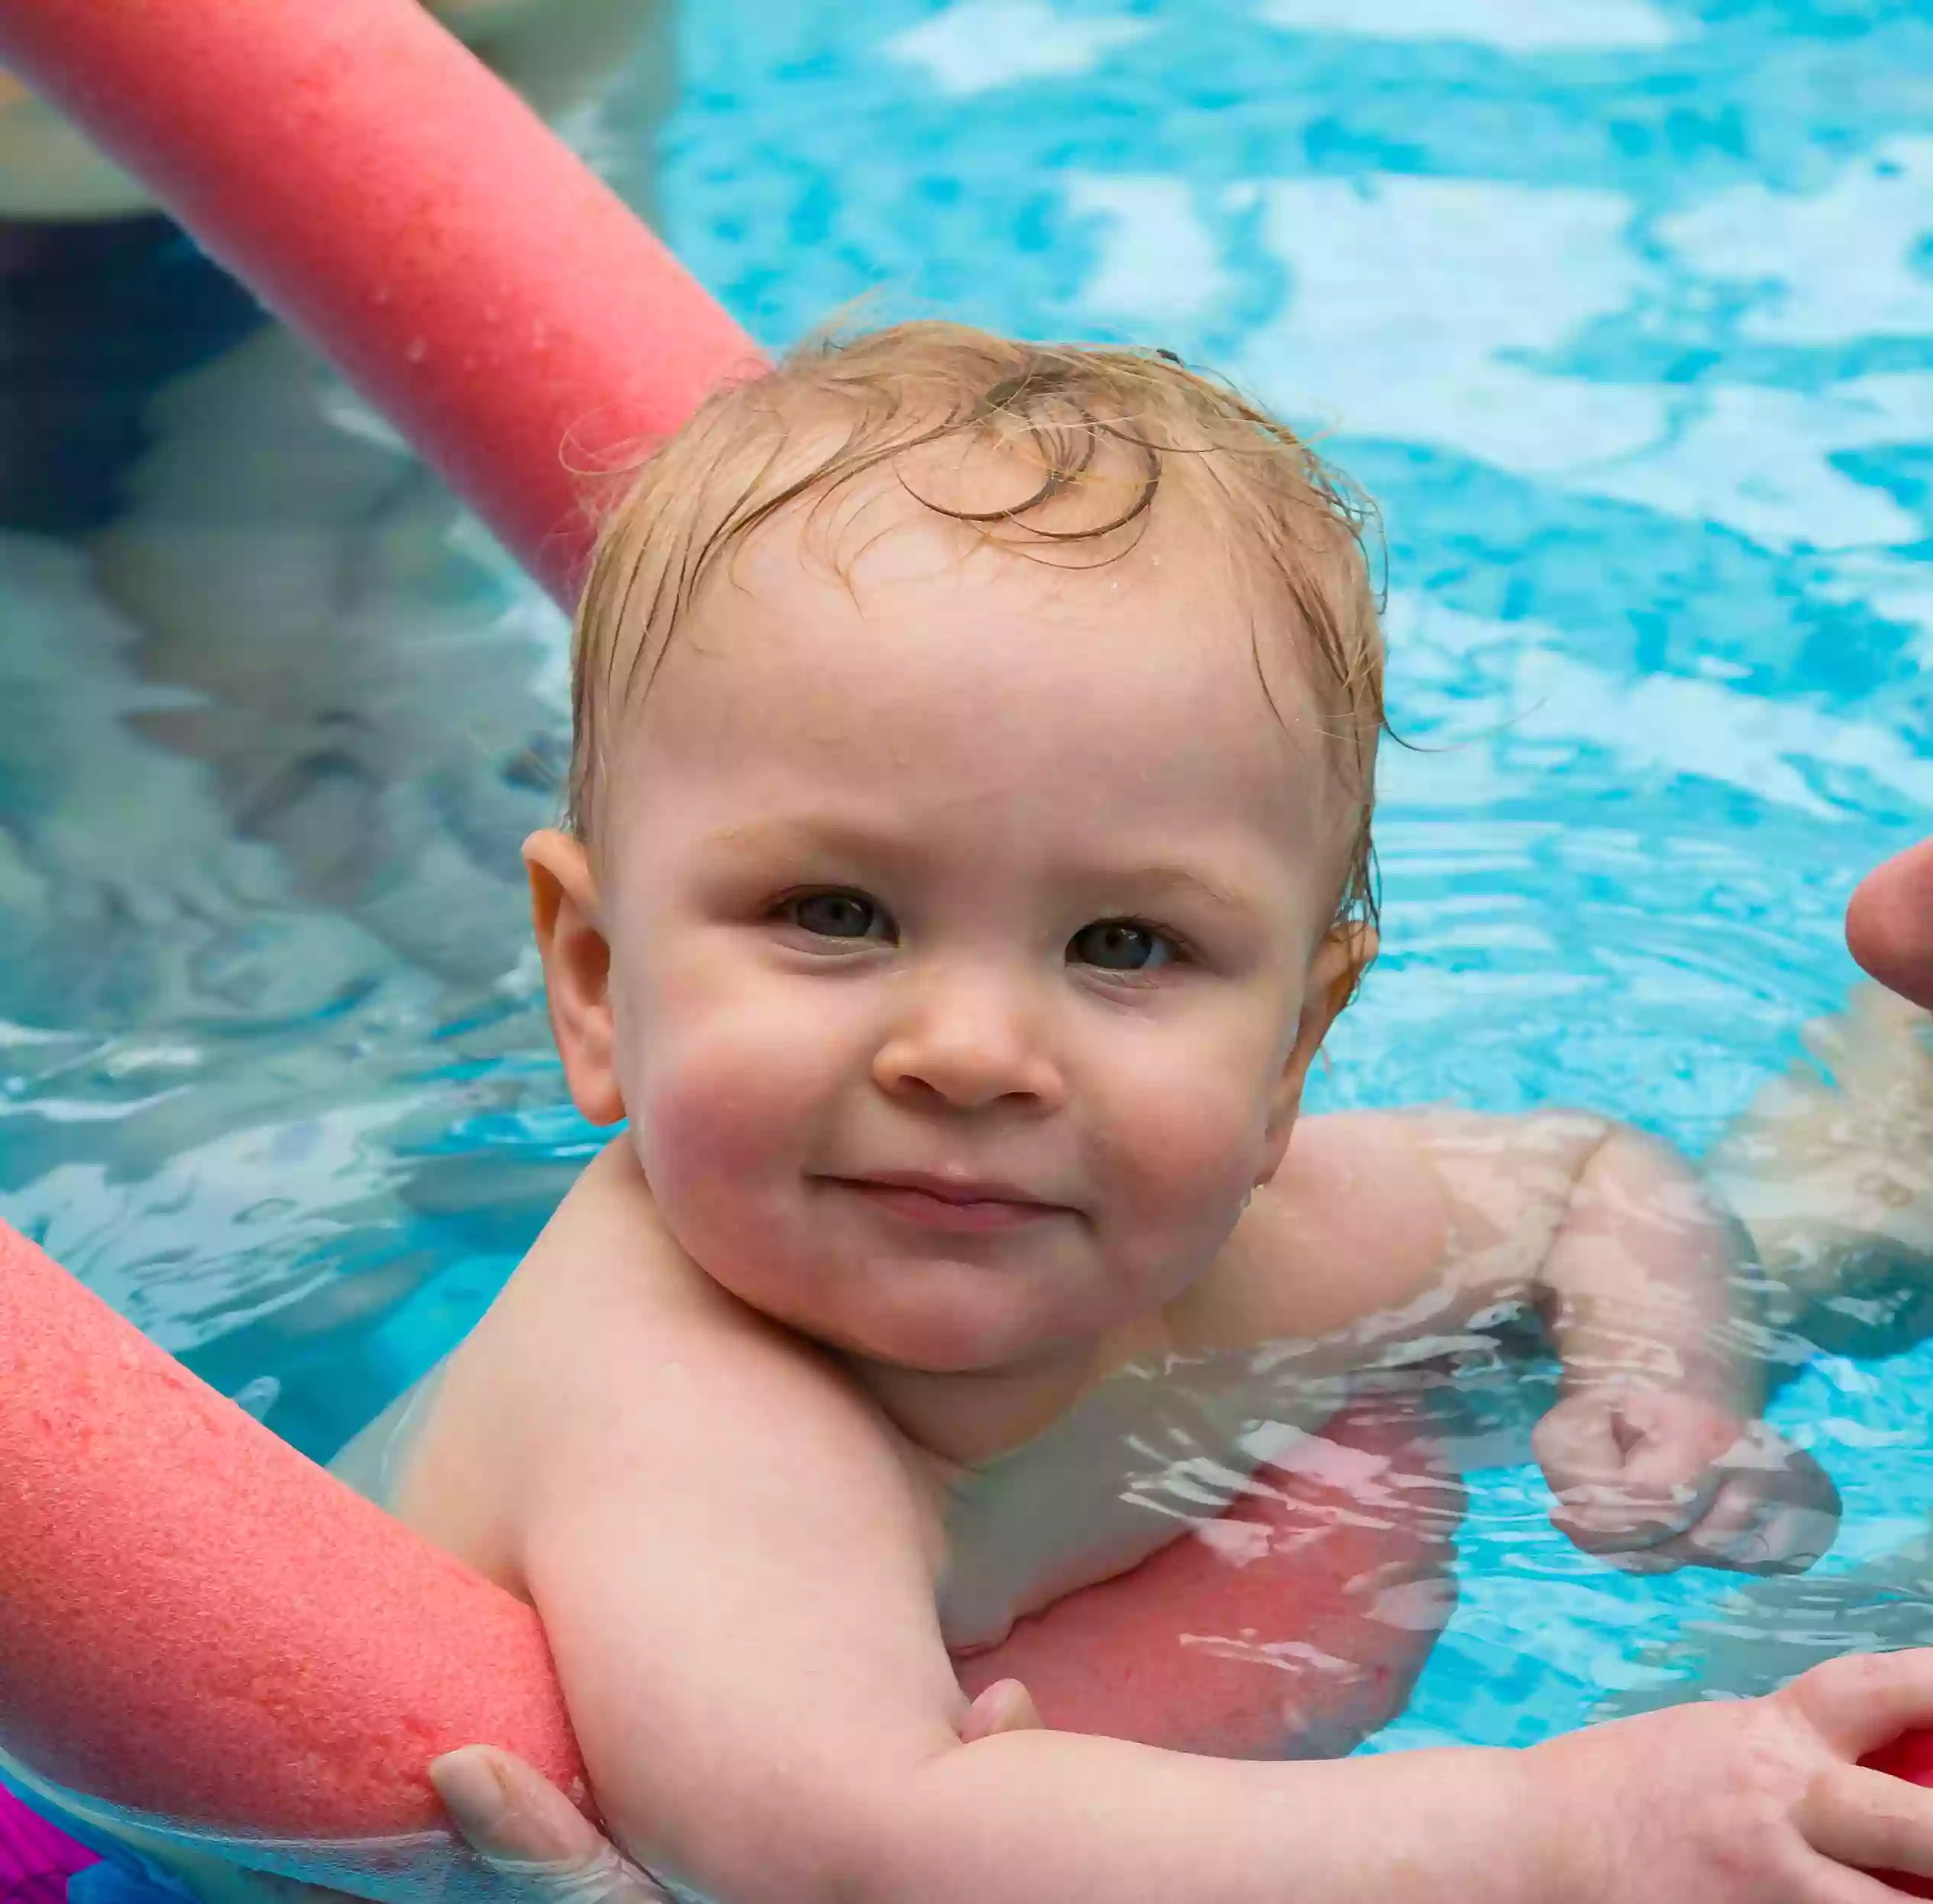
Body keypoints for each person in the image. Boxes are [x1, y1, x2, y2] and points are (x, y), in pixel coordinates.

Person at [280, 321, 1933, 1904]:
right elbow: (853, 1853)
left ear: (1291, 1049)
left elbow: (1582, 1171)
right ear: (589, 978)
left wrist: (1662, 1378)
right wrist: (1566, 1832)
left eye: (1123, 944)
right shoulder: (685, 1406)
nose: (974, 1050)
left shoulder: (1246, 1248)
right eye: (836, 911)